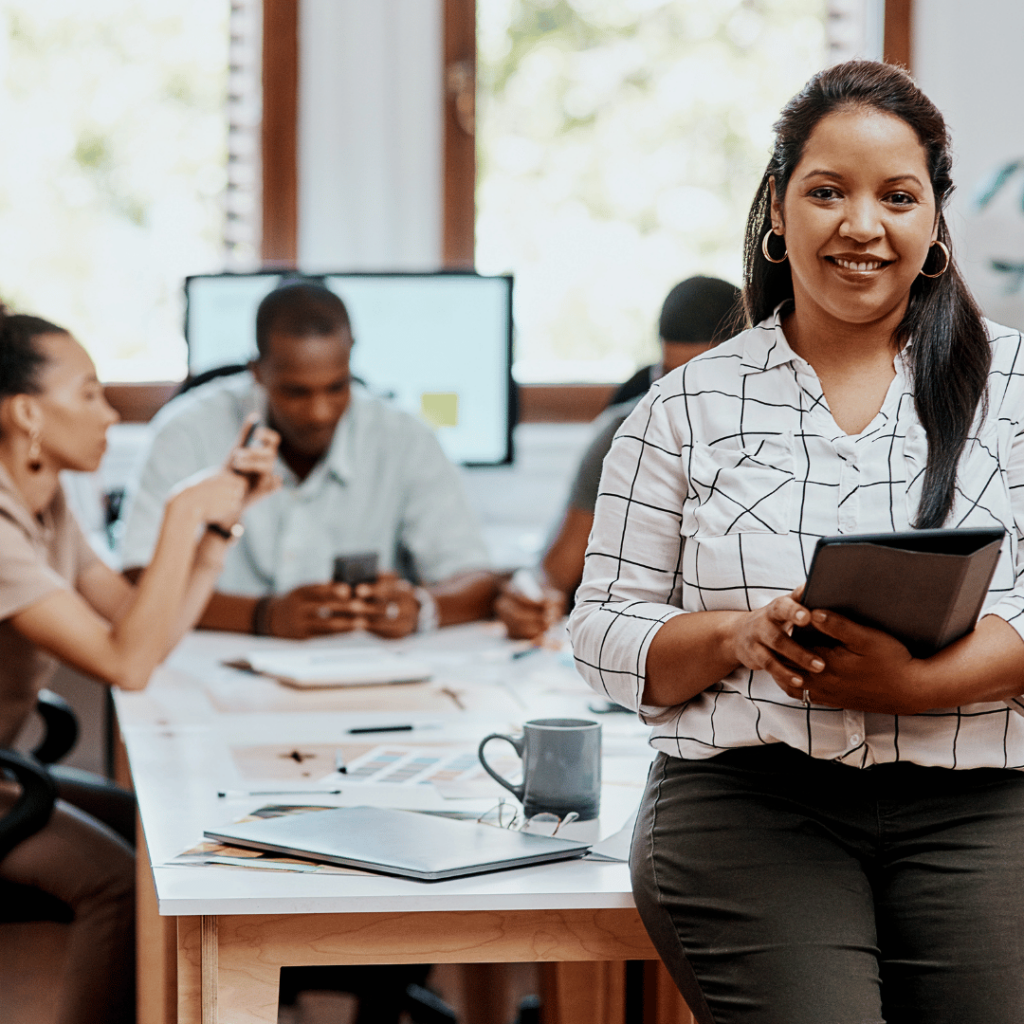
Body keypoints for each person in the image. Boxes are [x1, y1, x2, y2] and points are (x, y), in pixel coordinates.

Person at [569, 59, 1024, 1024]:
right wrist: (736, 637)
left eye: (897, 196)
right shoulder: (682, 407)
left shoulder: (1016, 393)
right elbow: (603, 636)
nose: (862, 225)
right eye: (828, 192)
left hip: (980, 802)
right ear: (778, 208)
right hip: (752, 804)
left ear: (933, 219)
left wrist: (920, 687)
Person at [0, 310, 279, 1024]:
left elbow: (139, 625)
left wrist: (214, 533)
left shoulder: (46, 501)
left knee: (154, 833)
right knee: (121, 885)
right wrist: (181, 515)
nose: (110, 413)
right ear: (28, 412)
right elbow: (126, 664)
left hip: (7, 770)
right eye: (89, 393)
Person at [120, 281, 498, 639]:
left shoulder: (405, 437)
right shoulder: (186, 432)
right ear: (258, 372)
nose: (319, 412)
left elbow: (476, 577)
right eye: (296, 392)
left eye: (337, 387)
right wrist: (262, 616)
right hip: (210, 671)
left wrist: (419, 608)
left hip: (361, 676)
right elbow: (135, 579)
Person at [497, 276, 741, 640]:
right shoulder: (624, 432)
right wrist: (530, 597)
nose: (679, 397)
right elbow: (555, 575)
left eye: (699, 378)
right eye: (668, 375)